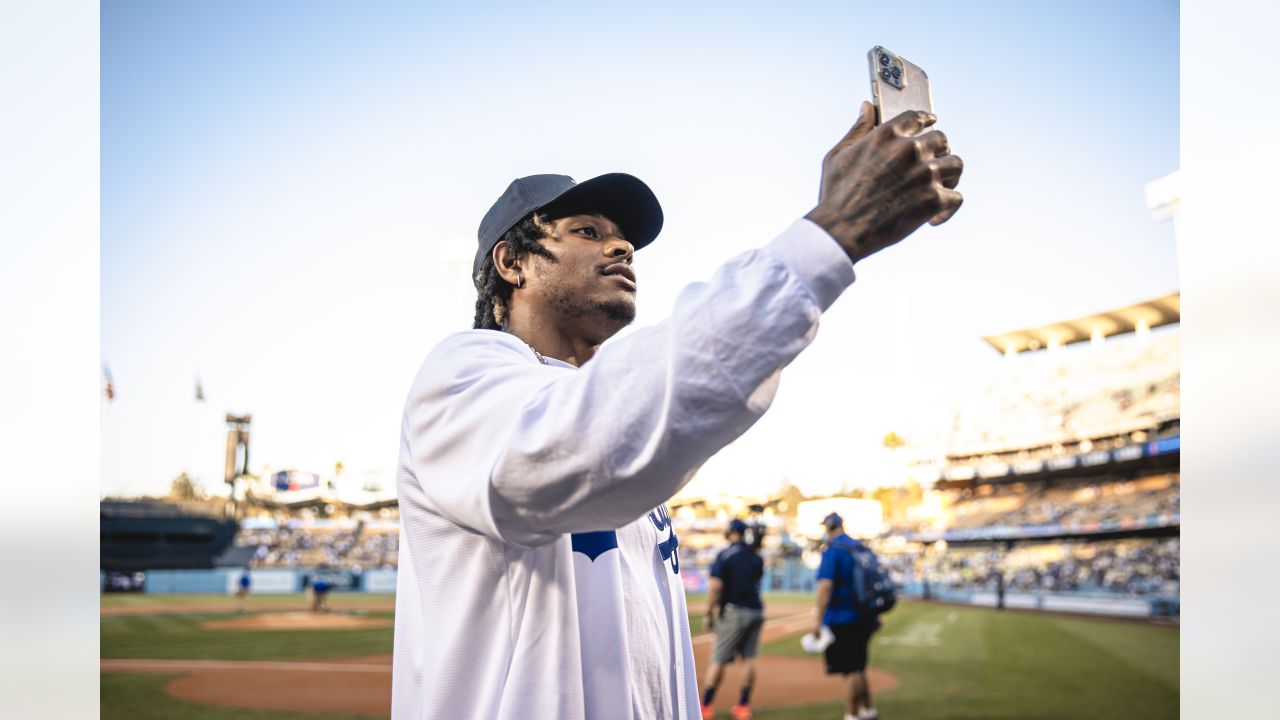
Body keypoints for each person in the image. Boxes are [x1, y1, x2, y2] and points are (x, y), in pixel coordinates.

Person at [391, 101, 963, 720]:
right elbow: (573, 445)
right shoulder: (460, 376)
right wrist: (833, 234)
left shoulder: (594, 400)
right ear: (512, 262)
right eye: (587, 232)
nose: (621, 248)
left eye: (625, 240)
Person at [810, 513, 881, 720]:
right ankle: (868, 710)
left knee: (850, 671)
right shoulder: (859, 547)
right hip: (865, 616)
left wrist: (818, 619)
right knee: (859, 666)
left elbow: (825, 585)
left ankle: (851, 715)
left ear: (830, 527)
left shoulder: (834, 551)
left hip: (843, 617)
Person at [701, 519, 766, 720]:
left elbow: (715, 586)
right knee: (749, 659)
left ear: (730, 533)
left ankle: (705, 706)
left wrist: (708, 612)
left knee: (718, 659)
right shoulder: (755, 556)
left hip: (735, 611)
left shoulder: (726, 555)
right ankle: (743, 707)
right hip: (756, 610)